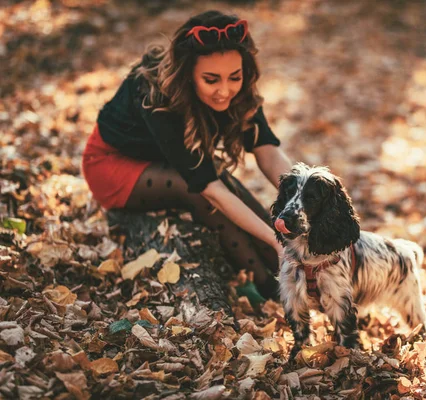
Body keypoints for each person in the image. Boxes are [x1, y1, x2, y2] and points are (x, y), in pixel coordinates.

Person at [81, 10, 292, 302]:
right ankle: (269, 289)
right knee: (197, 190)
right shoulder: (156, 94)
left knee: (225, 182)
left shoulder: (238, 91)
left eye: (235, 77)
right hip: (111, 165)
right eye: (211, 79)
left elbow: (266, 150)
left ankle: (293, 274)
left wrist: (304, 197)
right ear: (187, 74)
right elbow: (209, 188)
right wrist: (273, 238)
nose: (225, 90)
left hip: (160, 159)